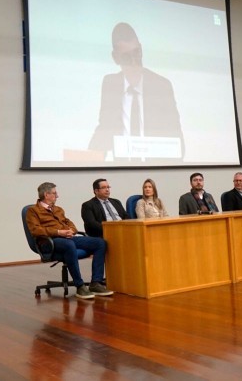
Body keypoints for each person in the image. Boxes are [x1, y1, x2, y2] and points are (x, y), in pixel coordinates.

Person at [88, 22, 184, 161]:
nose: (134, 62)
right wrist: (87, 158)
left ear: (141, 49)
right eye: (127, 57)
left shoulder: (161, 86)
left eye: (137, 53)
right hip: (121, 168)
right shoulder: (110, 84)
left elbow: (177, 140)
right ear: (115, 58)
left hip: (155, 168)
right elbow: (105, 127)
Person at [26, 182, 113, 299]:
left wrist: (71, 230)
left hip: (67, 238)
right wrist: (58, 232)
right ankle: (80, 286)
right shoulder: (33, 211)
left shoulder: (58, 209)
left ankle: (96, 283)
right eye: (55, 193)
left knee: (100, 243)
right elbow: (35, 230)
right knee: (69, 244)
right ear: (46, 195)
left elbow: (69, 222)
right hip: (49, 241)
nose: (57, 196)